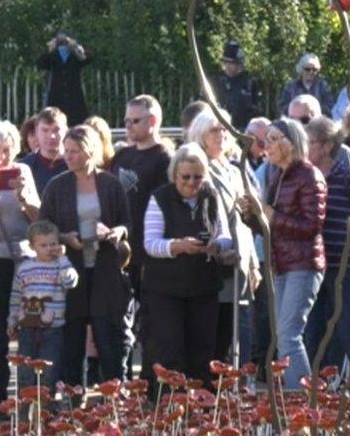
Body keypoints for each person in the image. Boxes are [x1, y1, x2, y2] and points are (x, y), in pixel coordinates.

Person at [237, 118, 327, 389]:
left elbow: (312, 226)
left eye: (275, 139)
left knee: (289, 335)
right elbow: (269, 228)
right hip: (282, 263)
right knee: (284, 334)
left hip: (303, 264)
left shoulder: (309, 176)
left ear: (293, 143)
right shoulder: (277, 176)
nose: (268, 145)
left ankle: (300, 397)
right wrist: (251, 216)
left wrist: (271, 214)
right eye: (267, 139)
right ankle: (297, 395)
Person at [40, 125, 132, 386]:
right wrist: (65, 238)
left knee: (108, 333)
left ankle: (114, 392)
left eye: (74, 151)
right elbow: (42, 228)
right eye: (66, 151)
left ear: (90, 151)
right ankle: (73, 394)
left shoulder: (110, 184)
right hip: (73, 270)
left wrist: (117, 232)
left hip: (105, 268)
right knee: (72, 335)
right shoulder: (57, 186)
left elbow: (127, 222)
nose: (68, 156)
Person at [143, 143, 231, 387]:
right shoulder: (159, 198)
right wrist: (178, 246)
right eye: (186, 177)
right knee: (170, 347)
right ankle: (171, 402)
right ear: (174, 175)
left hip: (203, 285)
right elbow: (150, 243)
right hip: (166, 289)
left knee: (202, 347)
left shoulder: (211, 196)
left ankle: (201, 403)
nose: (192, 182)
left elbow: (225, 234)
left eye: (198, 177)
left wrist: (217, 246)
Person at [303, 116, 350, 374]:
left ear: (326, 146)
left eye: (310, 142)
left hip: (341, 267)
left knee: (349, 330)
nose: (305, 147)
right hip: (310, 267)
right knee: (312, 333)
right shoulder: (303, 178)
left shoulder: (348, 179)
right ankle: (318, 395)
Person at [188, 110, 259, 365]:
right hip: (216, 264)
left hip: (240, 260)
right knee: (219, 334)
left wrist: (253, 264)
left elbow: (245, 221)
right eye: (214, 130)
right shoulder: (198, 169)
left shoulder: (233, 168)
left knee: (241, 329)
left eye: (224, 129)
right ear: (201, 135)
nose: (222, 135)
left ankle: (240, 387)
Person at [0, 121, 39, 404]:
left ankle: (29, 392)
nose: (2, 156)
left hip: (22, 258)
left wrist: (24, 198)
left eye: (7, 149)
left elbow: (39, 218)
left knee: (28, 326)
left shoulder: (23, 171)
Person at [109, 95, 172, 362]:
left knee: (150, 319)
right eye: (126, 120)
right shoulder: (122, 154)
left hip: (148, 251)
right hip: (120, 249)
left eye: (134, 121)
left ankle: (149, 379)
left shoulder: (164, 158)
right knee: (117, 315)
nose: (128, 126)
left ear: (153, 121)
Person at [9, 220, 78, 390]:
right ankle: (25, 412)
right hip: (27, 328)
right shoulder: (24, 268)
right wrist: (12, 320)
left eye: (53, 244)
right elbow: (16, 296)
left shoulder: (61, 266)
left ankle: (47, 411)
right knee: (25, 372)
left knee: (49, 372)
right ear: (33, 246)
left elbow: (70, 282)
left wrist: (63, 258)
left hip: (52, 329)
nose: (49, 249)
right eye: (43, 245)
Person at [37, 32, 90, 125]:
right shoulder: (53, 54)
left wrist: (76, 47)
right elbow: (41, 64)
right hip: (56, 96)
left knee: (77, 122)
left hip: (74, 96)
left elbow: (87, 59)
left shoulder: (75, 55)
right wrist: (50, 50)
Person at [211, 40, 262, 130]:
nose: (239, 66)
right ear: (226, 63)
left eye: (240, 63)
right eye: (235, 63)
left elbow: (257, 110)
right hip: (220, 128)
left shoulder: (249, 82)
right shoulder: (216, 82)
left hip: (244, 130)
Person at [19, 107, 69, 195]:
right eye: (45, 130)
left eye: (56, 130)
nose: (51, 136)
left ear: (66, 131)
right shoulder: (24, 167)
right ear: (37, 131)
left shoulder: (76, 164)